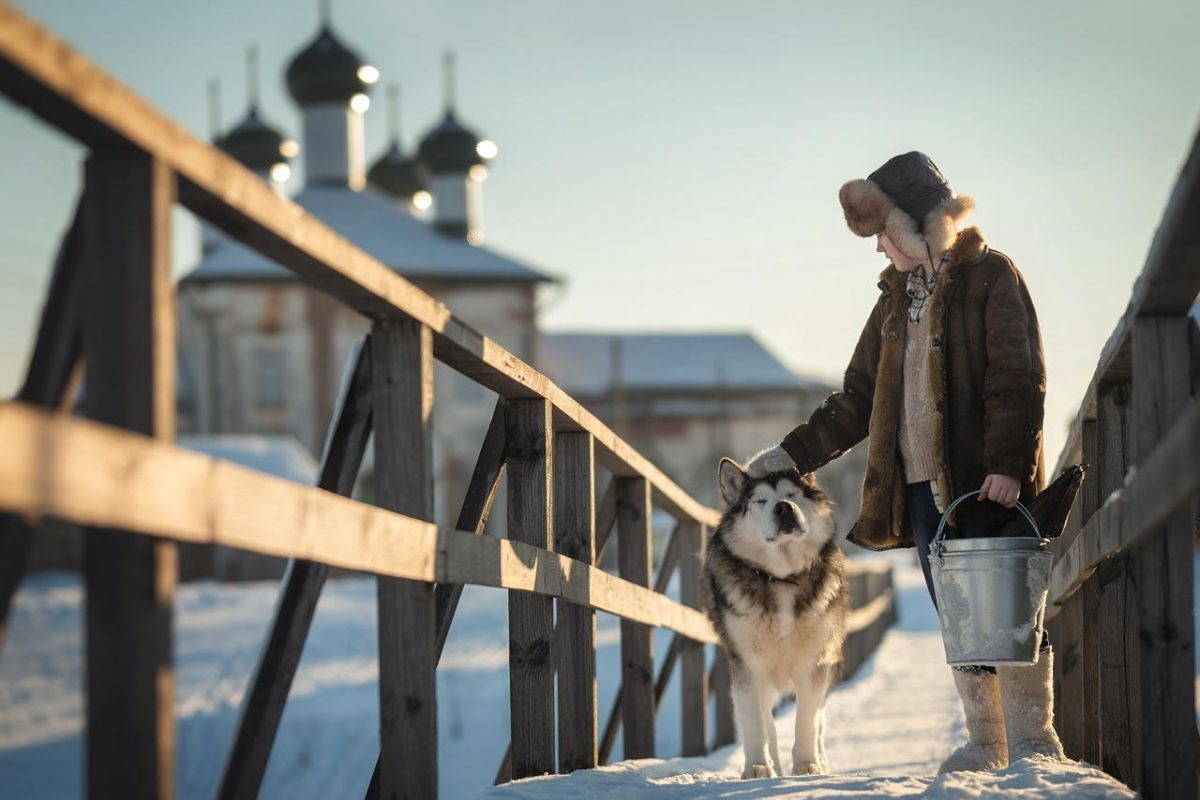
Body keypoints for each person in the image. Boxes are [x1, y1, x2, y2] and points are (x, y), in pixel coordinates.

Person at [746, 151, 1064, 772]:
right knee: (958, 612)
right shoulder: (895, 300)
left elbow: (1018, 377)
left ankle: (1034, 743)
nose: (878, 250)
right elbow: (858, 398)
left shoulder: (991, 277)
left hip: (986, 481)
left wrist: (1008, 464)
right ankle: (988, 741)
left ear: (921, 227)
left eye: (883, 234)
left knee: (1008, 607)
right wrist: (791, 455)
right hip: (921, 488)